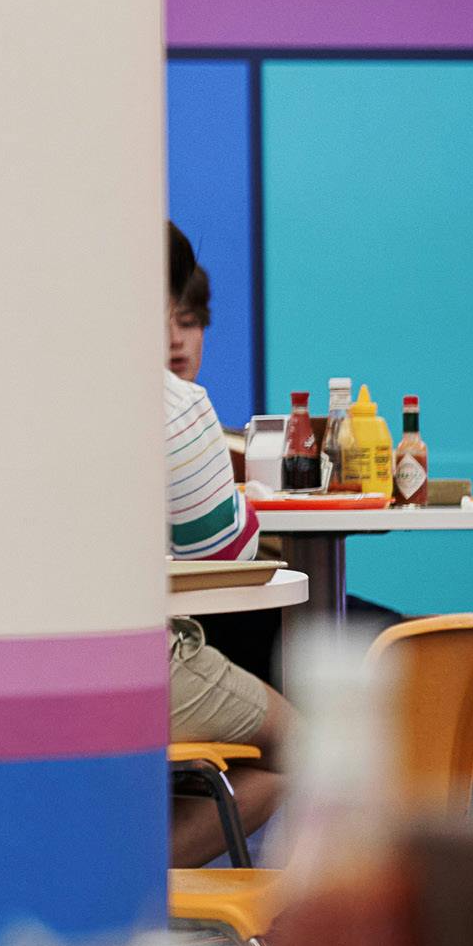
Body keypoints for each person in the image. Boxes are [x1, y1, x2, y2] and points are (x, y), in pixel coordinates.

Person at [179, 220, 278, 856]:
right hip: (179, 631)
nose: (174, 337)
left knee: (342, 621)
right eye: (163, 315)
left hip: (196, 617)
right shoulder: (178, 413)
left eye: (189, 321)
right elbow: (226, 550)